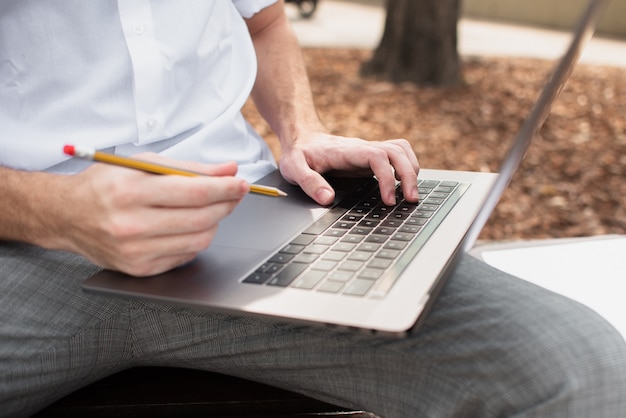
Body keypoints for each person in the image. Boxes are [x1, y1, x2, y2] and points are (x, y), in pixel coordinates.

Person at [0, 1, 624, 416]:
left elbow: (264, 20)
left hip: (248, 216)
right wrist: (54, 210)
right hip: (26, 252)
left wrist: (301, 130)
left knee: (582, 371)